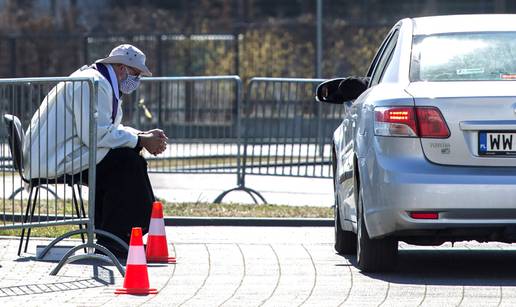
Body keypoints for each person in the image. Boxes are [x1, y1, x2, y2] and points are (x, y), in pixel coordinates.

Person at [23, 44, 167, 257]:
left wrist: (141, 135)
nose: (136, 81)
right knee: (126, 162)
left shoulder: (100, 81)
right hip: (54, 158)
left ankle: (113, 235)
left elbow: (105, 130)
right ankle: (115, 238)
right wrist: (140, 140)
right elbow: (95, 134)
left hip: (60, 153)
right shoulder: (95, 84)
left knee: (123, 159)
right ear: (121, 68)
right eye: (135, 74)